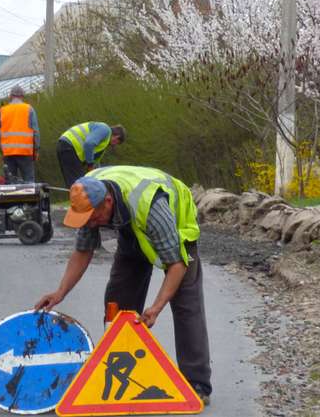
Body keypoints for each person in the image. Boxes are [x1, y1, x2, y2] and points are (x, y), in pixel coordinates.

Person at [33, 166, 211, 405]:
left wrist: (156, 307)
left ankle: (196, 383)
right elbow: (83, 250)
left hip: (177, 227)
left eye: (94, 218)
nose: (91, 224)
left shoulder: (150, 206)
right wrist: (60, 292)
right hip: (131, 227)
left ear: (107, 201)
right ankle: (121, 376)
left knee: (186, 305)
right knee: (117, 302)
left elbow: (176, 265)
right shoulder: (87, 196)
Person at [57, 122, 125, 188]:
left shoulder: (103, 144)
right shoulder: (105, 129)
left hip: (66, 146)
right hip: (69, 146)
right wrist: (90, 165)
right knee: (79, 183)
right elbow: (89, 144)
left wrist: (98, 175)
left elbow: (96, 163)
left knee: (75, 181)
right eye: (116, 142)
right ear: (117, 136)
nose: (114, 145)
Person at [0, 85, 39, 182]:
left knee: (10, 182)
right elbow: (35, 132)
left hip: (8, 153)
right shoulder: (29, 109)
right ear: (22, 96)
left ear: (10, 96)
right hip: (25, 152)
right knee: (29, 182)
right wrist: (36, 150)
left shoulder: (2, 111)